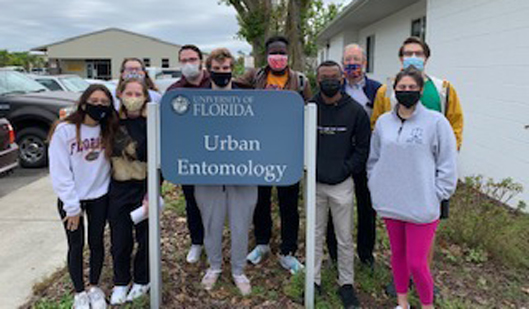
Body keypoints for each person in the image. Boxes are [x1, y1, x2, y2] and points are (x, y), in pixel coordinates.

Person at [371, 36, 464, 297]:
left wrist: (445, 164)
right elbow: (377, 125)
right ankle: (402, 283)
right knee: (399, 237)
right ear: (401, 58)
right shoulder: (386, 91)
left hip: (429, 174)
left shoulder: (443, 88)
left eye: (418, 52)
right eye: (408, 53)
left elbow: (455, 124)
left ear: (426, 57)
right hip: (398, 173)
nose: (413, 56)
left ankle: (423, 277)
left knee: (424, 231)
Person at [237, 35, 312, 274]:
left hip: (287, 150)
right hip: (259, 149)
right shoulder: (255, 77)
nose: (277, 57)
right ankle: (262, 244)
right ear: (266, 55)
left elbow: (309, 114)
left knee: (288, 203)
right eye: (273, 53)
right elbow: (232, 89)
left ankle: (288, 251)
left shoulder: (300, 81)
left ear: (287, 56)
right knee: (261, 200)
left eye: (282, 53)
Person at [49, 84, 118, 309]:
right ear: (84, 102)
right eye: (94, 101)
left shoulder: (108, 128)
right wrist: (72, 207)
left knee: (96, 242)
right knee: (75, 245)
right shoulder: (65, 130)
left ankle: (94, 287)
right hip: (73, 199)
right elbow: (60, 172)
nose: (98, 106)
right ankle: (79, 292)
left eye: (104, 103)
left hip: (99, 195)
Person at [194, 48, 257, 296]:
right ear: (208, 70)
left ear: (233, 69)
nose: (222, 72)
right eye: (217, 69)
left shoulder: (249, 98)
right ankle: (215, 266)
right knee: (211, 223)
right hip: (207, 173)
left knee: (241, 224)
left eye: (226, 68)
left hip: (243, 171)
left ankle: (239, 270)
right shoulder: (195, 99)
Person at [312, 60, 370, 308]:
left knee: (345, 237)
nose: (330, 81)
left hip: (342, 184)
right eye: (325, 77)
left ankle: (346, 284)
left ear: (342, 79)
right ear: (317, 80)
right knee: (314, 235)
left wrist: (345, 169)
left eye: (334, 77)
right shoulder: (309, 107)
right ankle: (312, 281)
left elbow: (363, 148)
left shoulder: (355, 110)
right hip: (314, 183)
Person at [326, 44, 381, 267]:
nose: (352, 64)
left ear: (365, 63)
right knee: (335, 207)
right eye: (347, 60)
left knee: (367, 208)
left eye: (356, 60)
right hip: (341, 158)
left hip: (368, 159)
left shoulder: (378, 90)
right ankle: (334, 254)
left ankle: (366, 254)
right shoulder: (336, 88)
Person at [108, 78, 153, 304]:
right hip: (118, 188)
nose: (133, 99)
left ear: (146, 97)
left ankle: (143, 280)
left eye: (138, 94)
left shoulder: (152, 123)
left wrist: (151, 192)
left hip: (144, 187)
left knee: (146, 238)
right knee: (120, 239)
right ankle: (121, 282)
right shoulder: (111, 123)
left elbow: (159, 162)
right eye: (129, 93)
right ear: (120, 94)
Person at [166, 44, 211, 263]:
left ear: (201, 61)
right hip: (189, 157)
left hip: (217, 154)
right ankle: (197, 242)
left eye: (192, 59)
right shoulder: (174, 91)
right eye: (183, 60)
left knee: (217, 202)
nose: (188, 64)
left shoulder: (216, 84)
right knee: (192, 201)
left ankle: (216, 243)